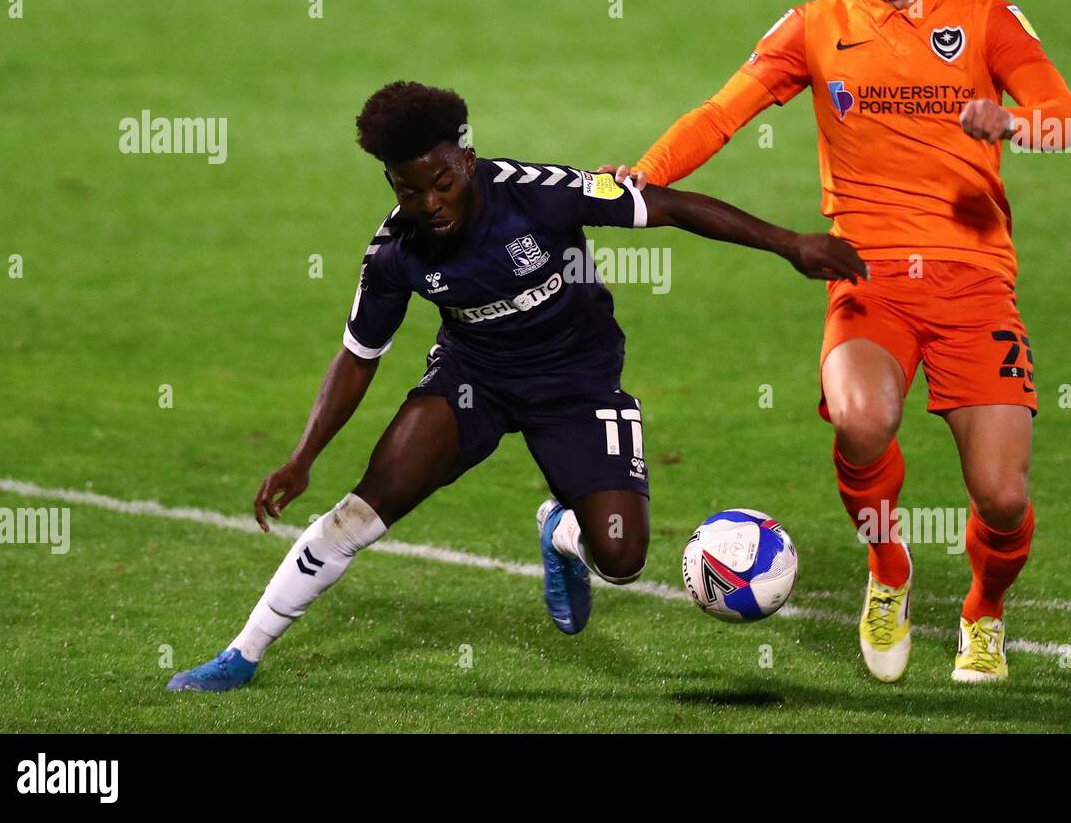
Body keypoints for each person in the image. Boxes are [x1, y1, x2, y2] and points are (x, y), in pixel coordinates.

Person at [167, 79, 866, 692]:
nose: (431, 202)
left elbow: (670, 207)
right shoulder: (393, 254)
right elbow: (358, 355)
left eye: (442, 181)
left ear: (465, 159)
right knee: (363, 511)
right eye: (410, 190)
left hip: (579, 382)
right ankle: (241, 654)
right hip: (475, 380)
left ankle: (560, 531)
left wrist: (791, 245)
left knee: (621, 558)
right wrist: (303, 456)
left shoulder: (540, 196)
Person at [604, 0, 1071, 682]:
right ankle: (889, 570)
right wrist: (642, 176)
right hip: (867, 276)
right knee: (862, 419)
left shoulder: (985, 18)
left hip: (975, 283)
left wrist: (1014, 124)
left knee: (1003, 497)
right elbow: (722, 113)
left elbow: (1070, 122)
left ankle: (983, 611)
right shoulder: (816, 24)